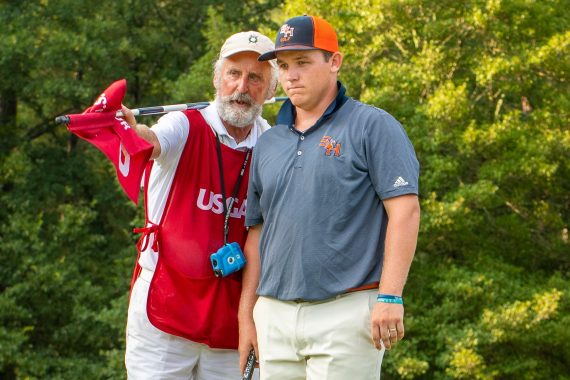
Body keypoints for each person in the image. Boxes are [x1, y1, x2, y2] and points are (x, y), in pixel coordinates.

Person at [238, 15, 421, 380]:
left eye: (303, 62)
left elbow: (406, 212)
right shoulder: (269, 142)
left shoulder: (373, 126)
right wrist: (248, 316)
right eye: (285, 65)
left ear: (334, 62)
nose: (291, 75)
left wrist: (391, 296)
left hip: (347, 312)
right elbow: (257, 234)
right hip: (274, 314)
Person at [121, 31, 277, 379]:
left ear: (270, 91)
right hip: (165, 307)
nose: (242, 87)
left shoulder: (272, 145)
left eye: (255, 78)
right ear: (217, 79)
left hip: (233, 316)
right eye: (233, 74)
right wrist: (131, 132)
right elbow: (152, 141)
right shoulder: (184, 124)